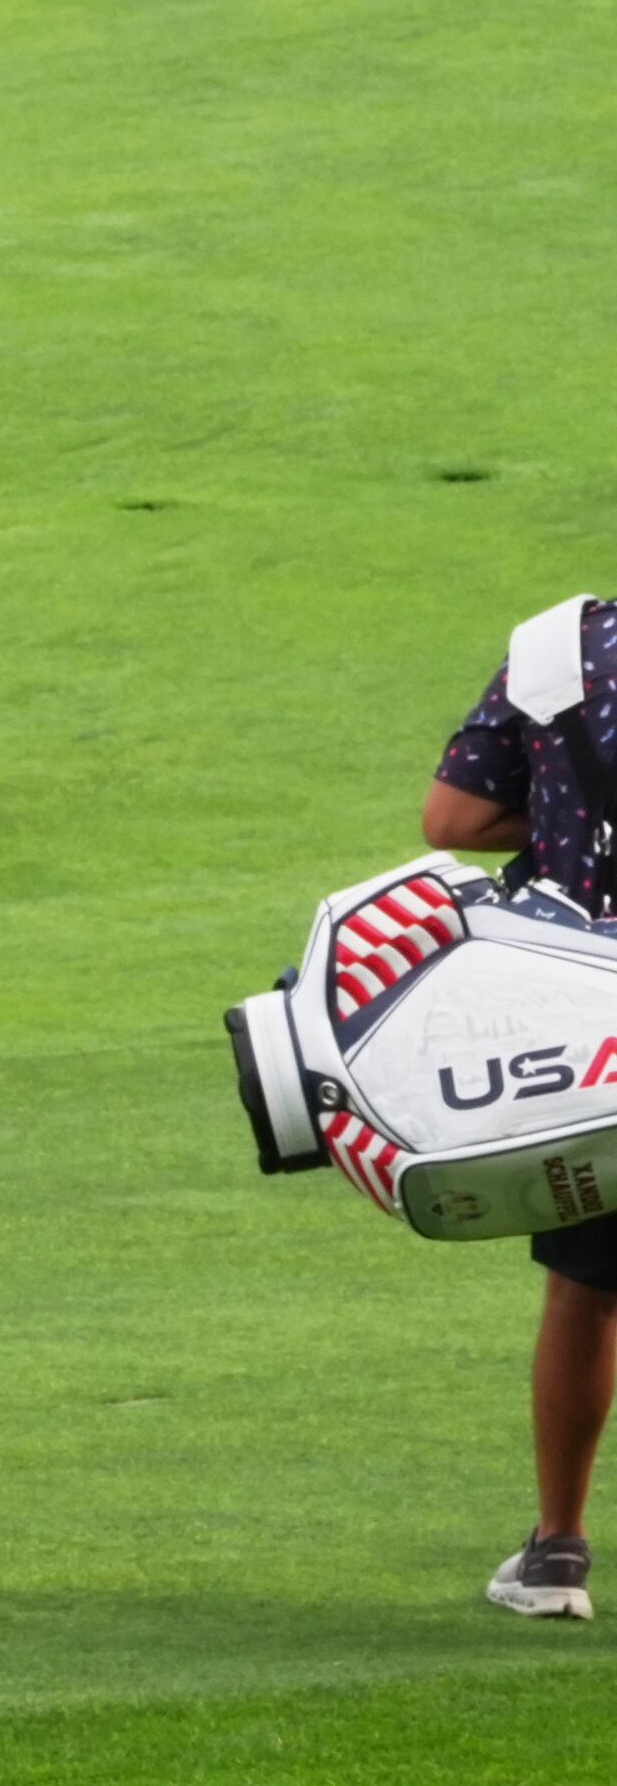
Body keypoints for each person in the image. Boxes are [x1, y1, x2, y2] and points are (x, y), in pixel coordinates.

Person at [419, 592, 617, 1620]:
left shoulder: (560, 650)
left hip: (592, 1023)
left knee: (584, 1287)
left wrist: (555, 828)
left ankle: (556, 1556)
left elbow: (447, 820)